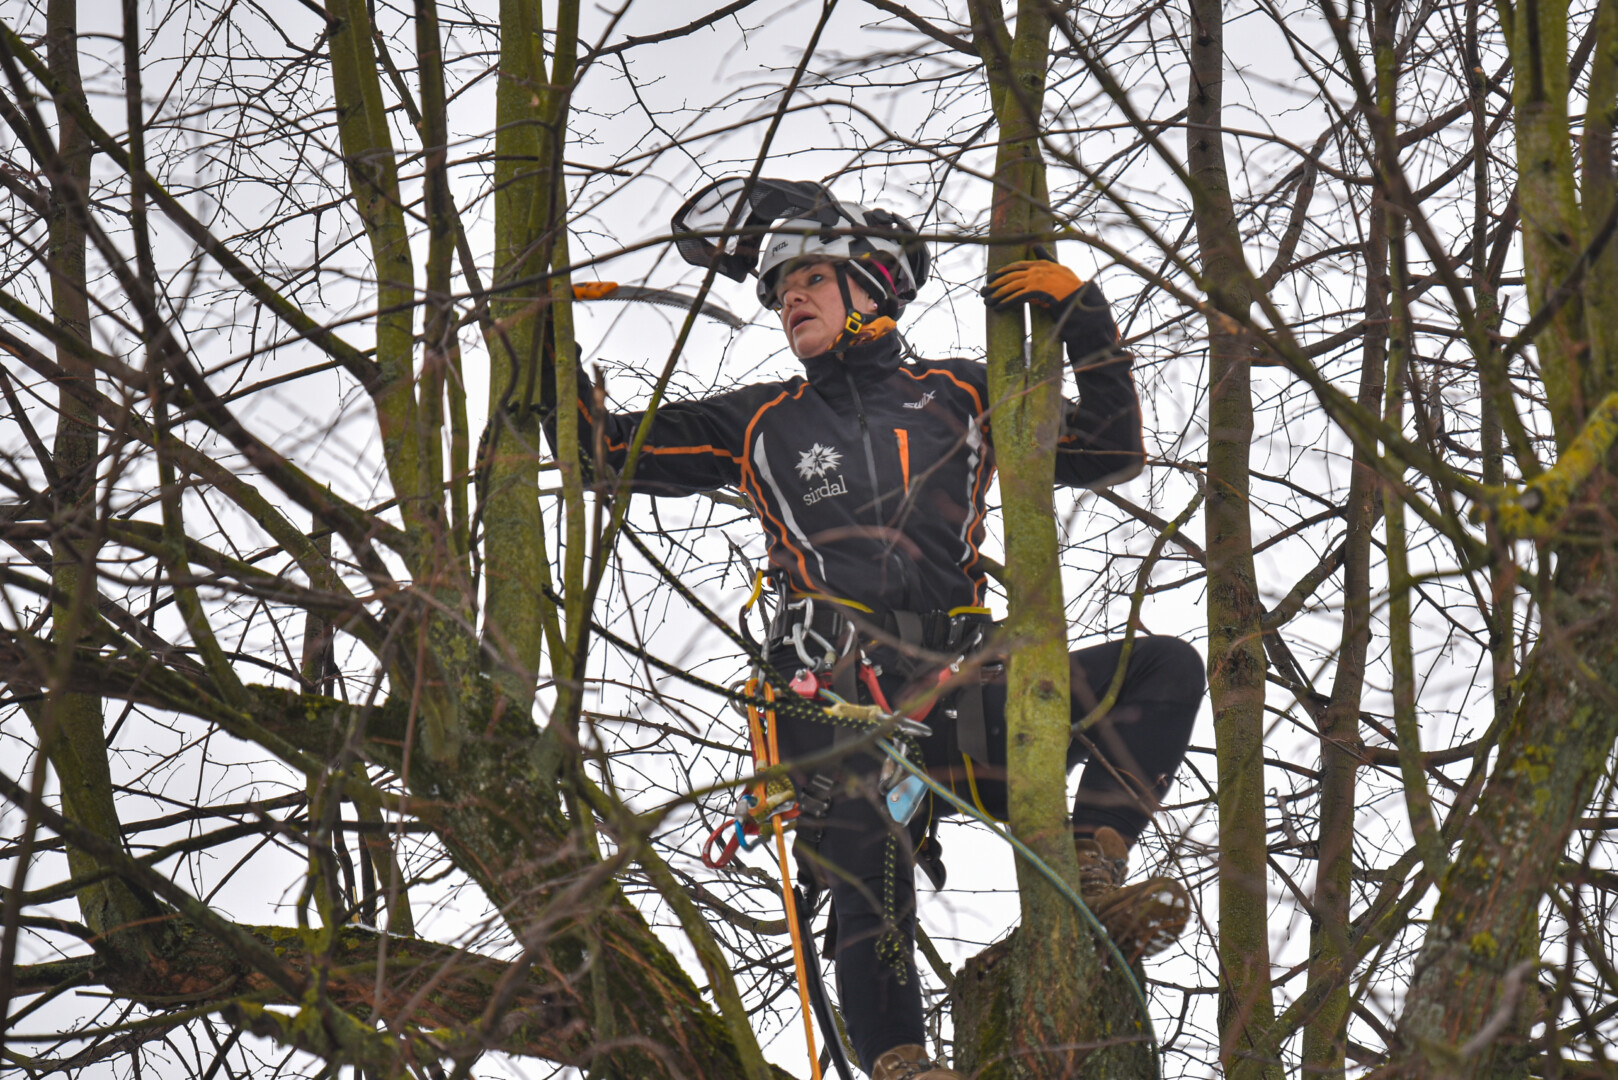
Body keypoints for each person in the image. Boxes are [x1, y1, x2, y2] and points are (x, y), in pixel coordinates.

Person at [547, 180, 1204, 1080]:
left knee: (1163, 667)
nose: (791, 302)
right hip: (838, 699)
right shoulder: (760, 422)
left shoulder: (967, 397)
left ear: (871, 287)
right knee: (869, 862)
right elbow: (599, 452)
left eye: (810, 279)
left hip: (957, 695)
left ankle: (1095, 870)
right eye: (780, 293)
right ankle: (901, 1065)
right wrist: (544, 350)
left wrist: (1082, 321)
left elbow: (1111, 449)